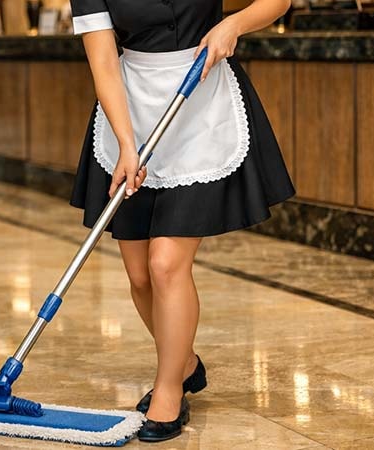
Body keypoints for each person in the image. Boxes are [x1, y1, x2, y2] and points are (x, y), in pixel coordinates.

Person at [69, 0, 296, 442]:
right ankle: (185, 363)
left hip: (202, 106)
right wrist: (128, 144)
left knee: (165, 265)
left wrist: (233, 25)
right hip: (131, 111)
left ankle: (169, 390)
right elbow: (103, 61)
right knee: (140, 276)